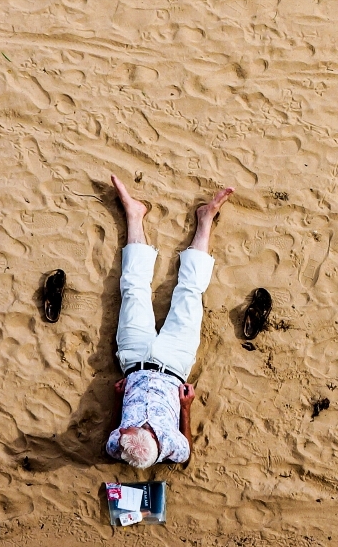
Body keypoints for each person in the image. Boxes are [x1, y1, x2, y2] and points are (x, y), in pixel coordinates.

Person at [105, 175, 234, 468]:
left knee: (133, 288)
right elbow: (187, 453)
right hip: (175, 363)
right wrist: (185, 409)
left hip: (134, 359)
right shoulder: (169, 445)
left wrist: (118, 400)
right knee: (189, 292)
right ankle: (205, 220)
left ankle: (134, 215)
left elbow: (113, 434)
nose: (122, 430)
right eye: (129, 429)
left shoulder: (118, 445)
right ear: (149, 435)